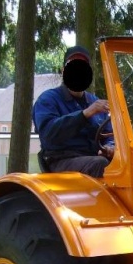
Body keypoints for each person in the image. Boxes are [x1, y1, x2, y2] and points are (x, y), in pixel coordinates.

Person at [32, 45, 114, 178]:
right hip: (61, 160)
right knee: (100, 164)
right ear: (64, 71)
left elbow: (109, 133)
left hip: (93, 157)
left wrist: (110, 147)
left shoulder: (95, 101)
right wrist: (85, 114)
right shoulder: (48, 99)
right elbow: (49, 134)